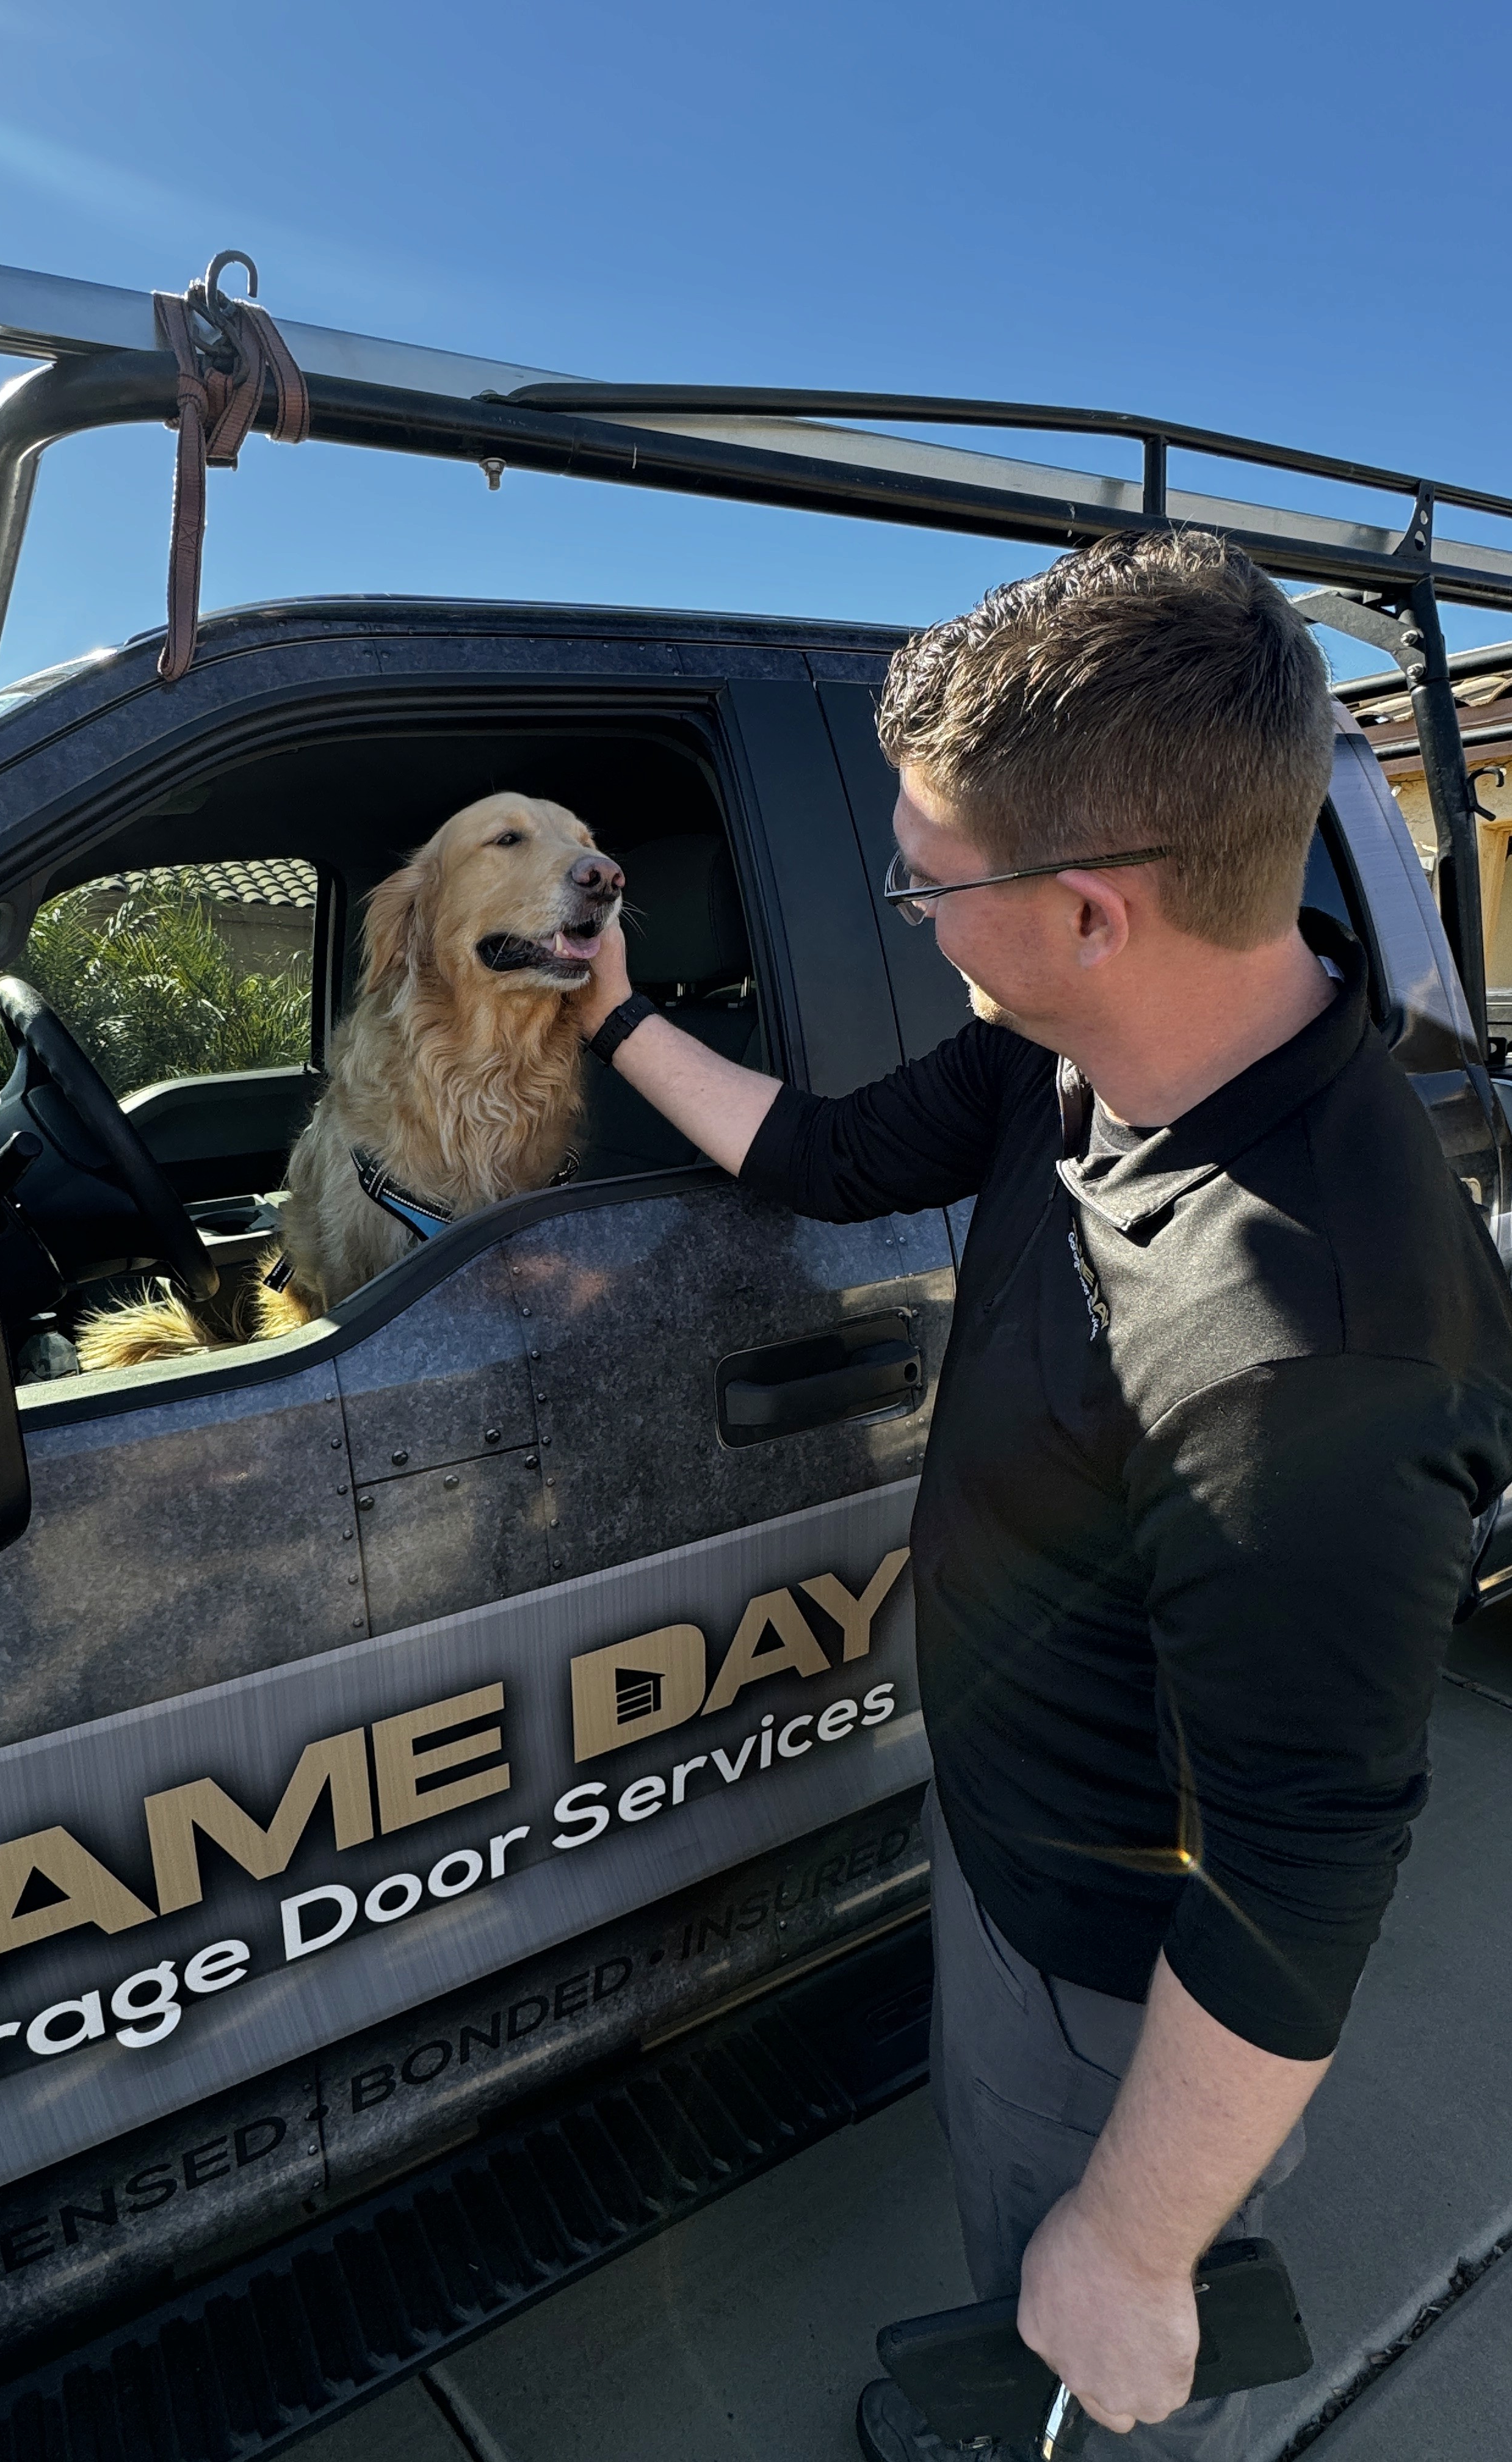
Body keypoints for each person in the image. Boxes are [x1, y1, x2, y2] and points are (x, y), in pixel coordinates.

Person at [573, 531, 1512, 2458]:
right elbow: (824, 1154)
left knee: (1090, 2312)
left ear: (1091, 909)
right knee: (1027, 2223)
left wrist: (1143, 2238)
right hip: (1011, 1829)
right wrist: (608, 1018)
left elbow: (1299, 1872)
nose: (908, 910)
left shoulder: (1302, 1347)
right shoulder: (1075, 1060)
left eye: (928, 879)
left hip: (1114, 1947)